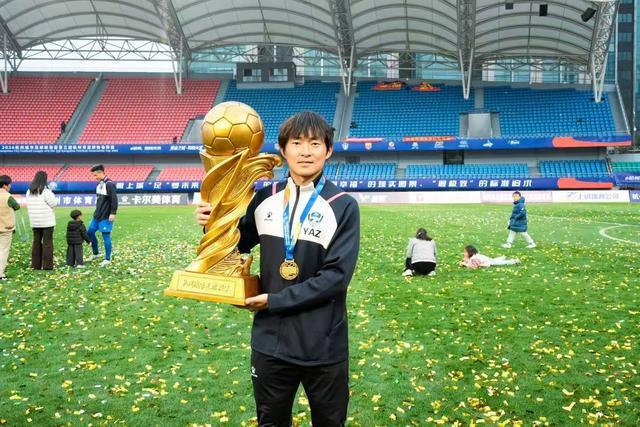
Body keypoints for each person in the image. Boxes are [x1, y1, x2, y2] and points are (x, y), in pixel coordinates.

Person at [195, 111, 360, 426]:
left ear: (328, 150)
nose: (305, 151)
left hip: (323, 345)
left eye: (315, 143)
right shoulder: (264, 198)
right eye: (296, 143)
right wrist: (212, 224)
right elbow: (237, 244)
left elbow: (336, 278)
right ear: (283, 150)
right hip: (271, 343)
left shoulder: (342, 205)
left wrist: (274, 300)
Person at [25, 171, 58, 270]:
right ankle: (47, 265)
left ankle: (36, 265)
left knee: (36, 242)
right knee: (47, 243)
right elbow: (54, 203)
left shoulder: (29, 191)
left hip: (35, 222)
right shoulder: (46, 191)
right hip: (47, 221)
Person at [87, 164, 117, 267]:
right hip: (96, 216)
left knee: (105, 236)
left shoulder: (109, 184)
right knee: (90, 232)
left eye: (95, 175)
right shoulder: (99, 185)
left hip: (106, 216)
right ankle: (96, 253)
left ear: (101, 173)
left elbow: (114, 200)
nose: (94, 177)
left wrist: (113, 213)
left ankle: (107, 259)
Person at [0, 175, 21, 280]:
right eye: (9, 184)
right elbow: (17, 206)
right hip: (5, 228)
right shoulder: (8, 196)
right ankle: (0, 273)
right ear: (5, 185)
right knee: (3, 251)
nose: (10, 186)